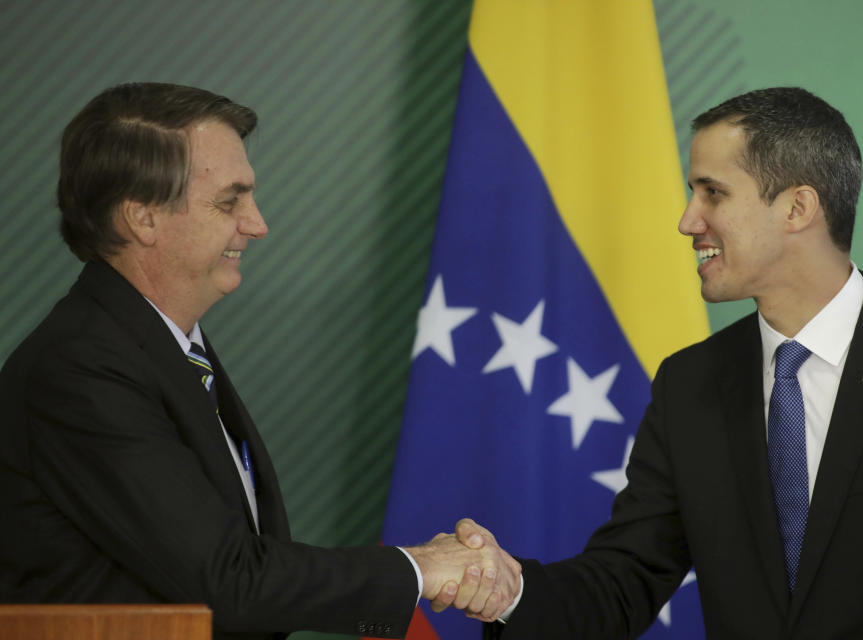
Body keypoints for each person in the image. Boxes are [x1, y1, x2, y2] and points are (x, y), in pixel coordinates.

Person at [0, 82, 519, 639]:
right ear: (142, 218)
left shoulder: (158, 345)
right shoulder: (81, 369)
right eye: (230, 200)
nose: (257, 223)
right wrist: (421, 568)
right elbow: (230, 582)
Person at [455, 87, 863, 638]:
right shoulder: (688, 384)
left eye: (712, 193)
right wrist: (512, 593)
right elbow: (624, 581)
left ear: (798, 207)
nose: (688, 221)